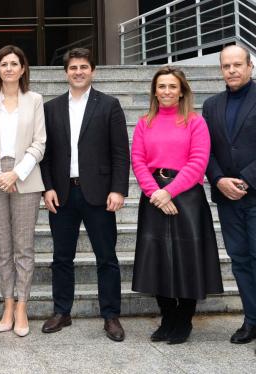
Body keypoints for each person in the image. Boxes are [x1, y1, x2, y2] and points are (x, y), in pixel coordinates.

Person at [40, 48, 129, 341]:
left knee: (106, 257)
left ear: (93, 70)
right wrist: (48, 187)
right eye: (73, 67)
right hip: (63, 194)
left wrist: (118, 189)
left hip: (99, 194)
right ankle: (62, 311)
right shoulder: (51, 108)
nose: (78, 72)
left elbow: (120, 152)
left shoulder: (109, 105)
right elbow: (47, 155)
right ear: (66, 72)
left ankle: (111, 316)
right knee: (61, 257)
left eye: (83, 67)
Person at [132, 66, 223, 344]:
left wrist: (169, 192)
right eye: (162, 86)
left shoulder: (195, 122)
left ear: (182, 90)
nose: (167, 91)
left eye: (172, 86)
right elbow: (138, 161)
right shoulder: (144, 122)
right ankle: (167, 316)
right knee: (157, 258)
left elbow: (198, 162)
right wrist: (155, 193)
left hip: (186, 197)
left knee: (187, 259)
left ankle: (184, 320)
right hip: (153, 197)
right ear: (155, 91)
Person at [0, 45, 45, 337]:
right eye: (4, 64)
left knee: (24, 248)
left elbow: (40, 142)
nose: (9, 68)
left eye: (14, 63)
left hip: (26, 176)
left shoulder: (35, 100)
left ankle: (22, 307)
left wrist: (16, 172)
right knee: (2, 248)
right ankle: (7, 303)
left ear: (23, 68)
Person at [203, 44, 256, 349]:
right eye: (227, 66)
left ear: (250, 66)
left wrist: (246, 179)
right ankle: (251, 319)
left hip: (255, 192)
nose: (232, 70)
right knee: (239, 259)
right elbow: (204, 149)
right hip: (227, 197)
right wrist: (219, 178)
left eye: (238, 64)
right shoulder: (212, 105)